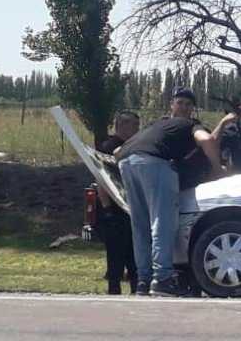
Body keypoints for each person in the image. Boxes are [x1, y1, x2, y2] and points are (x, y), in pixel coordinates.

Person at [116, 87, 224, 296]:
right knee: (162, 222)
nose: (183, 107)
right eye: (180, 102)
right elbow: (208, 140)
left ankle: (142, 281)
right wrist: (218, 170)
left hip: (127, 162)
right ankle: (163, 279)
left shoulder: (155, 125)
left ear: (192, 108)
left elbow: (117, 151)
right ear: (172, 105)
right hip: (155, 163)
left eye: (187, 104)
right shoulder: (191, 125)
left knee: (140, 225)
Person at [94, 111, 140, 295]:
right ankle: (114, 288)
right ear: (122, 125)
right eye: (134, 125)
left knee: (133, 251)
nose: (137, 129)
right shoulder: (108, 147)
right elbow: (102, 179)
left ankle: (136, 287)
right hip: (113, 208)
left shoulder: (133, 145)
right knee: (116, 251)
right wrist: (106, 209)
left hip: (130, 207)